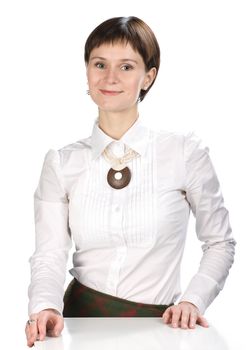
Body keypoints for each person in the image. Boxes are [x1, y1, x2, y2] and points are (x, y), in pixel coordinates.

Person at [25, 16, 236, 347]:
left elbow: (220, 242)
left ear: (148, 77)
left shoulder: (184, 153)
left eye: (126, 67)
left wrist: (193, 300)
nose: (110, 78)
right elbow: (49, 253)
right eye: (100, 64)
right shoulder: (62, 162)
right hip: (80, 325)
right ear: (87, 71)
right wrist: (45, 306)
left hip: (160, 330)